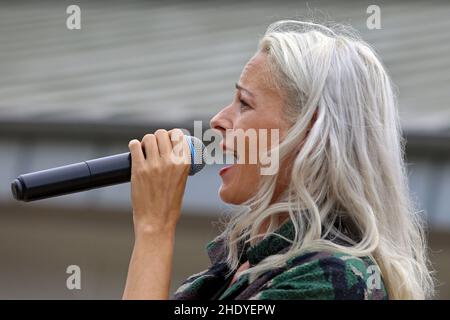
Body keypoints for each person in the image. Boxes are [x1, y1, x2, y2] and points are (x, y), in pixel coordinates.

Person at [122, 20, 434, 300]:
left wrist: (154, 228)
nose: (217, 120)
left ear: (308, 133)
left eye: (244, 103)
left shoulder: (329, 279)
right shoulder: (233, 269)